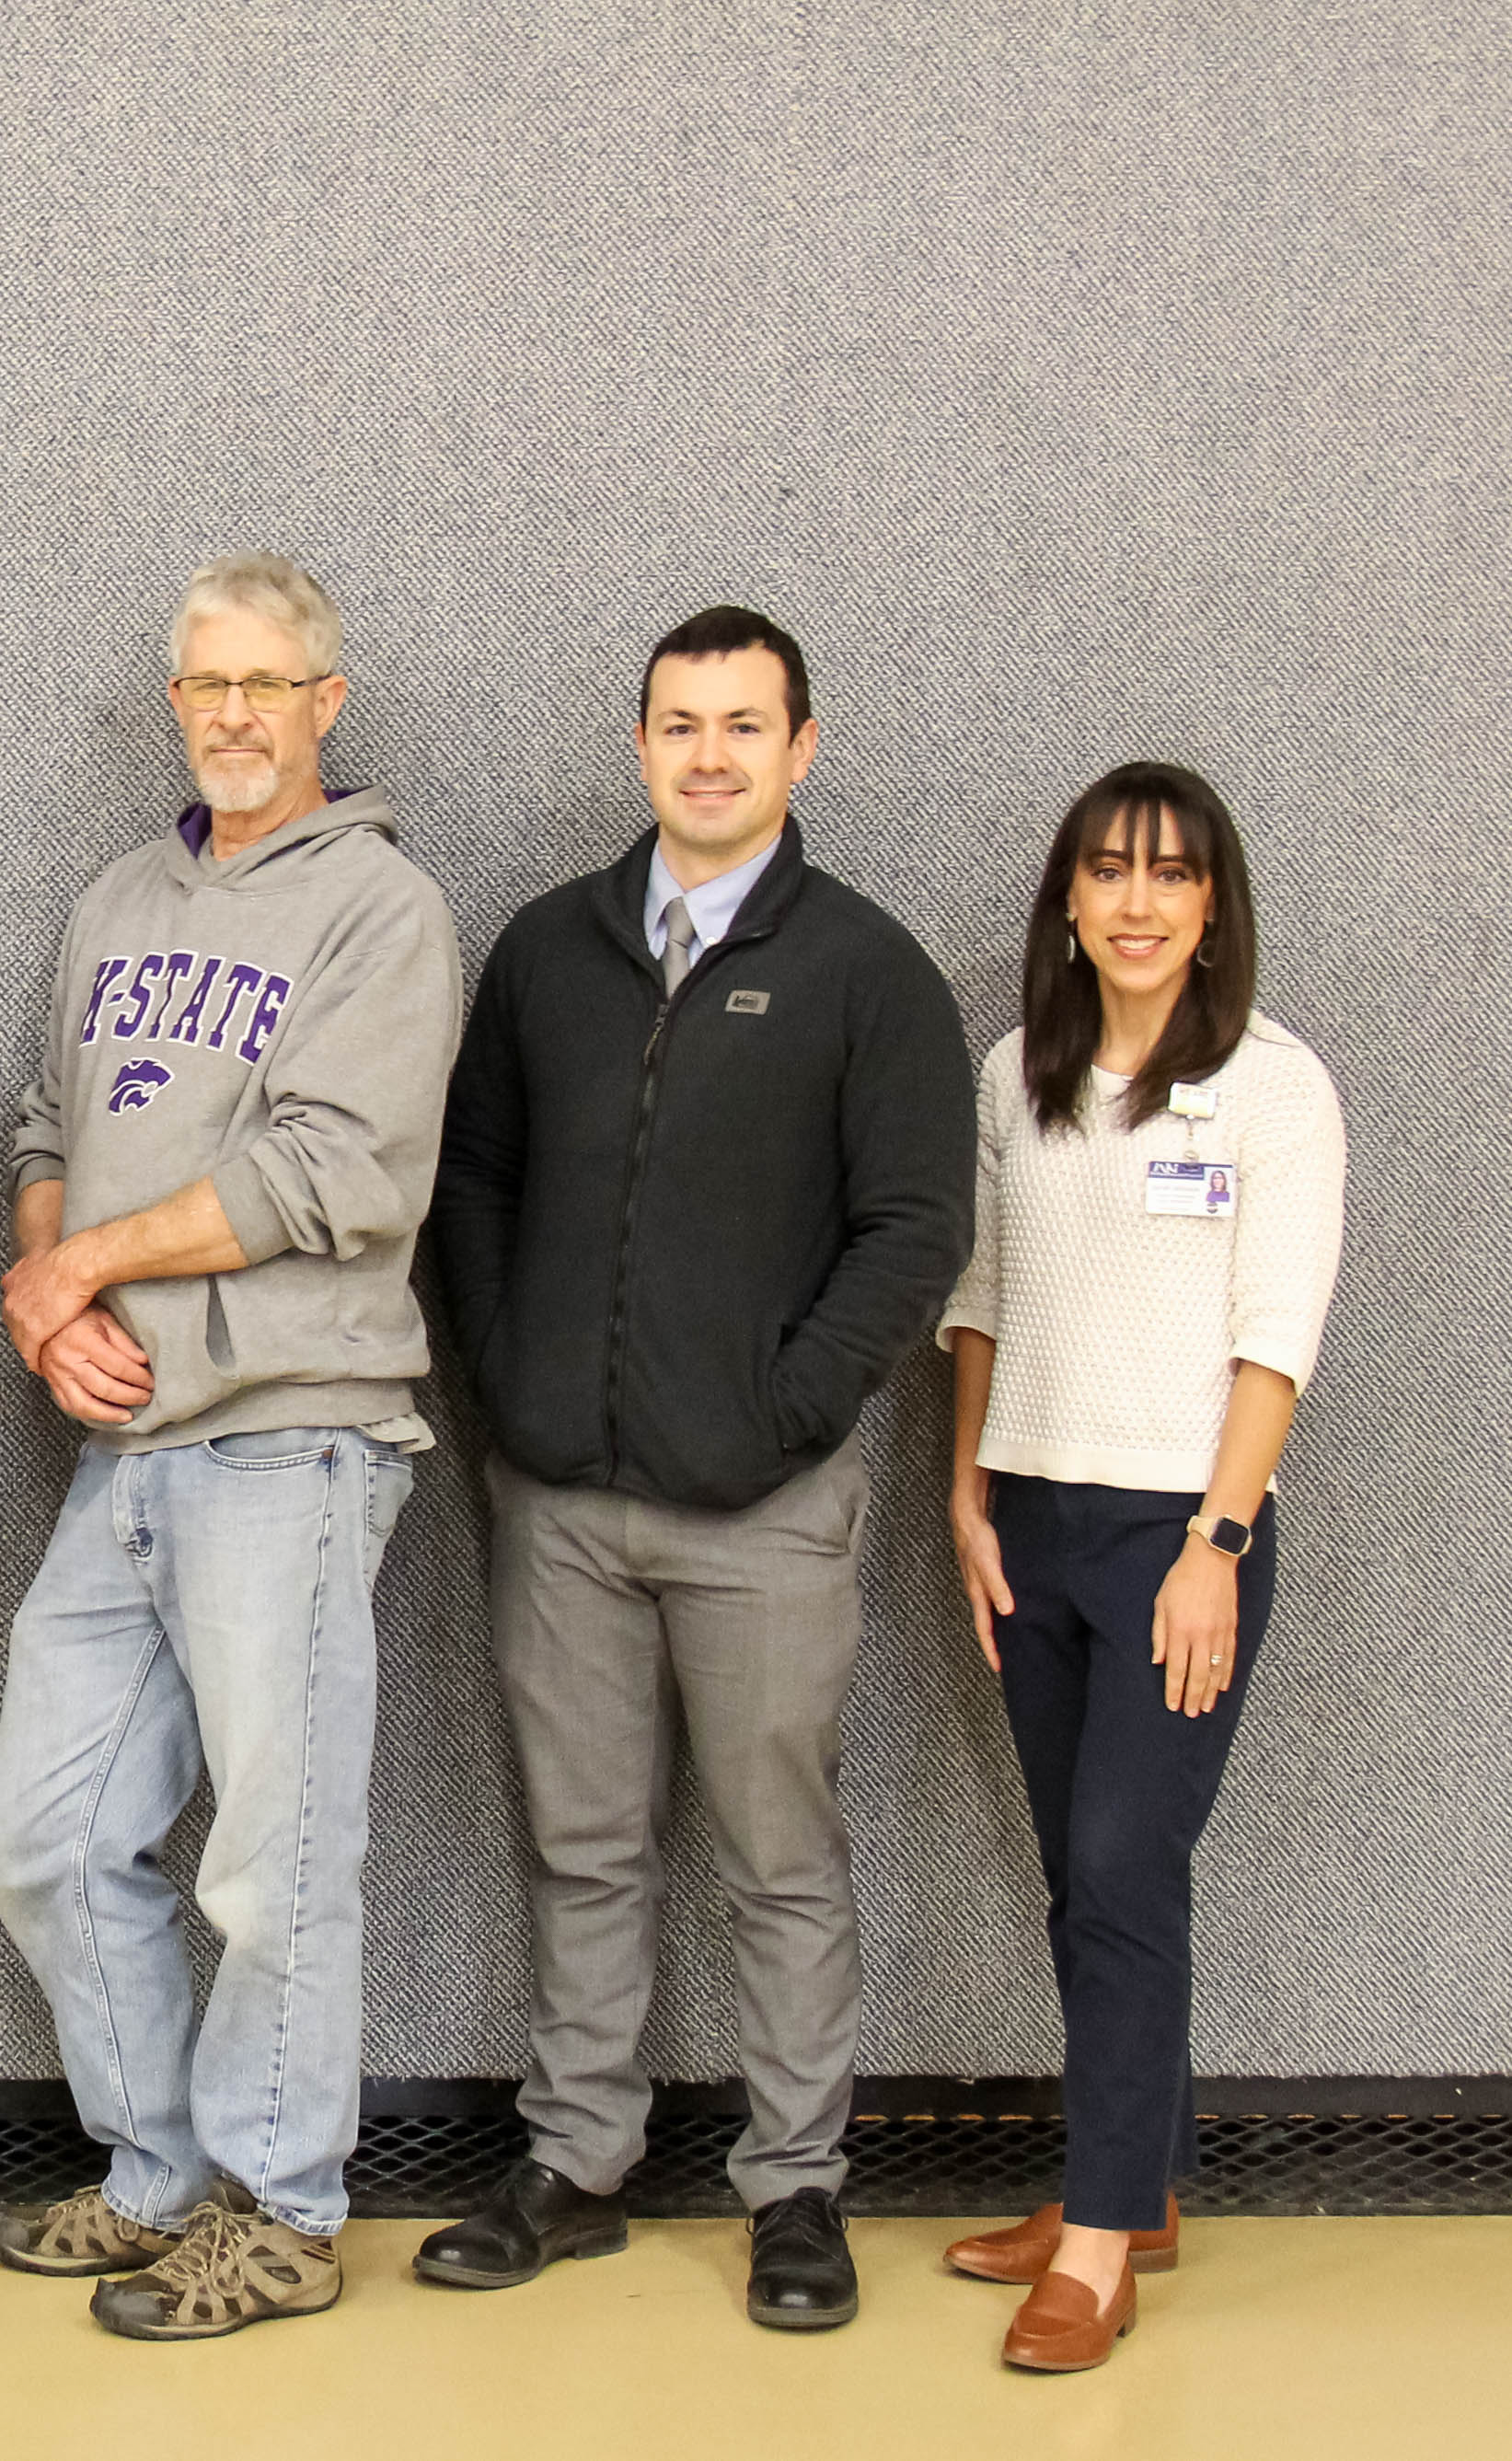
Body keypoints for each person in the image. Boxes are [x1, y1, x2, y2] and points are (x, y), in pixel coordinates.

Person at [421, 606, 972, 2330]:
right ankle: (578, 2157)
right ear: (641, 744)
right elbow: (476, 1185)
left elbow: (914, 1231)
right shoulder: (547, 953)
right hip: (563, 1504)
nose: (711, 753)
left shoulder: (867, 972)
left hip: (766, 1509)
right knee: (581, 1844)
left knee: (776, 1852)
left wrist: (783, 1414)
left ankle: (795, 2186)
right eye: (680, 723)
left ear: (802, 751)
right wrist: (512, 1386)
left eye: (745, 725)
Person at [0, 554, 461, 2339]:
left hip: (292, 1441)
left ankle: (281, 2203)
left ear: (324, 704)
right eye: (208, 684)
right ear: (174, 700)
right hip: (125, 1458)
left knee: (269, 1860)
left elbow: (333, 1169)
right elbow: (44, 1119)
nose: (237, 713)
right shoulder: (117, 898)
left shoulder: (380, 910)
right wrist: (40, 1289)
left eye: (270, 683)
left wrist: (81, 1260)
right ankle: (154, 2175)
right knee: (44, 1835)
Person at [935, 764, 1343, 2373]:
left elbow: (1276, 1337)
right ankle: (1138, 2182)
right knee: (1083, 1868)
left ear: (1215, 903)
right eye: (1108, 869)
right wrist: (962, 1493)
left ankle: (1098, 2245)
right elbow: (981, 1293)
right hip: (1028, 1517)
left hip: (1181, 1531)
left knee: (1120, 1861)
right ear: (1070, 896)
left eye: (1172, 874)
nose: (1138, 900)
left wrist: (1217, 1545)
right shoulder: (1014, 1071)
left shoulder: (1272, 1085)